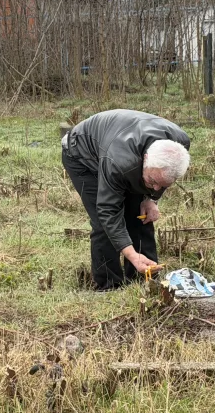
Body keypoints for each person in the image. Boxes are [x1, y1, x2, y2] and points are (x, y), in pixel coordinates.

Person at [61, 109, 191, 290]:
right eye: (152, 182)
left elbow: (159, 180)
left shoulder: (179, 144)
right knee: (103, 224)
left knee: (140, 215)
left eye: (162, 185)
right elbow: (108, 210)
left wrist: (150, 199)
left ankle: (143, 279)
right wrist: (131, 253)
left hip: (118, 144)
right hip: (83, 156)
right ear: (145, 159)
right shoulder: (121, 162)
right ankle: (109, 286)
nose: (156, 188)